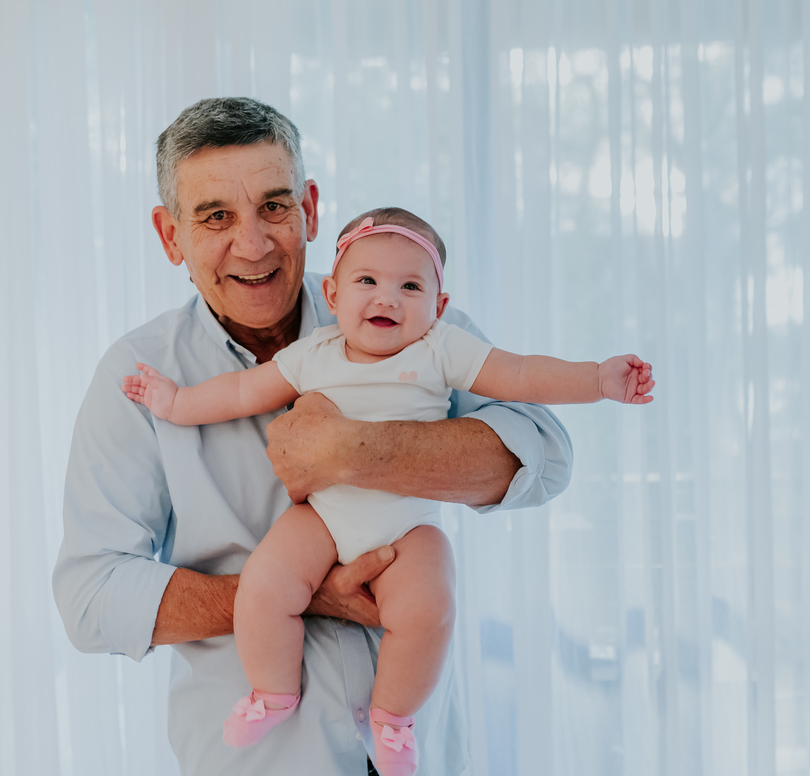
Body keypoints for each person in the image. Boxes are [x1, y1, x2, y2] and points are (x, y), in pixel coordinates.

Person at [51, 97, 575, 776]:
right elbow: (91, 597)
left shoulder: (398, 309)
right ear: (170, 235)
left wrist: (355, 450)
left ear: (311, 210)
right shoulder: (140, 377)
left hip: (421, 755)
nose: (253, 242)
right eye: (215, 217)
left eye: (274, 206)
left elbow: (547, 451)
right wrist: (289, 591)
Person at [122, 207, 653, 775]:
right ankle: (272, 693)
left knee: (430, 607)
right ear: (333, 291)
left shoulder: (440, 349)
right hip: (324, 516)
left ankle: (394, 718)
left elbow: (522, 374)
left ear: (438, 307)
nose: (387, 298)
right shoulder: (313, 354)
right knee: (265, 584)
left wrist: (597, 379)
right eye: (367, 281)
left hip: (407, 525)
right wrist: (174, 403)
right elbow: (241, 391)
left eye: (411, 286)